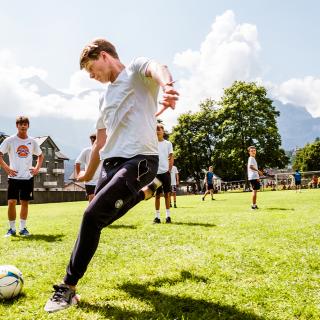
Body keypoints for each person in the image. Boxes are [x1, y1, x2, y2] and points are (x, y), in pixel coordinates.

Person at [44, 38, 179, 313]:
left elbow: (158, 66)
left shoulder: (137, 71)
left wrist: (168, 87)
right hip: (110, 165)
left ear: (104, 56)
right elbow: (100, 142)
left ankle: (68, 288)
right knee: (99, 218)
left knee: (90, 216)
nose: (92, 77)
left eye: (91, 69)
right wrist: (87, 175)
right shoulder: (103, 97)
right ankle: (145, 193)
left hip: (140, 160)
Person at [0, 116, 44, 237]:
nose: (23, 126)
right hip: (13, 178)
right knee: (11, 202)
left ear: (28, 126)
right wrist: (7, 168)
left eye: (25, 124)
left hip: (27, 178)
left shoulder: (32, 141)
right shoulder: (10, 140)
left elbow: (40, 156)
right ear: (17, 126)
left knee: (25, 203)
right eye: (20, 124)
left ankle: (23, 228)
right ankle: (11, 229)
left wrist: (36, 168)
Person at [153, 124, 173, 224]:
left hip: (165, 173)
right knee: (157, 195)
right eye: (156, 130)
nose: (157, 132)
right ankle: (157, 217)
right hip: (155, 174)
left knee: (167, 194)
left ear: (163, 131)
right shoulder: (152, 143)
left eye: (159, 130)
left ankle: (168, 216)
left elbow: (171, 156)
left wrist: (169, 169)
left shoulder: (168, 144)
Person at [75, 133, 102, 203]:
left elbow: (77, 163)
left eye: (94, 140)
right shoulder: (87, 150)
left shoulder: (103, 151)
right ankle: (91, 213)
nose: (92, 142)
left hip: (101, 180)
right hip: (89, 181)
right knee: (92, 199)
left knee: (99, 201)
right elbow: (77, 163)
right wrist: (79, 175)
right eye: (92, 140)